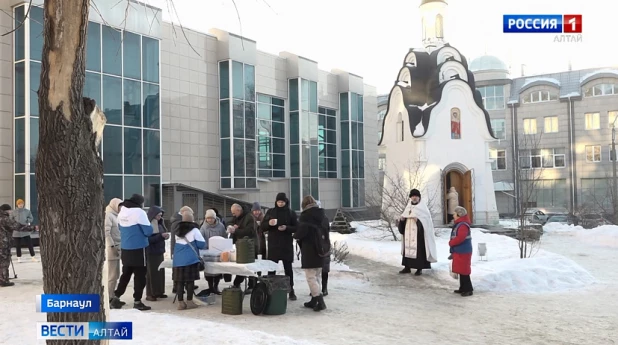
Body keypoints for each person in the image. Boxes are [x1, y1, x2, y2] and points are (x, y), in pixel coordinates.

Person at [111, 194, 153, 311]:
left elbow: (120, 228)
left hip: (126, 248)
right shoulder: (139, 212)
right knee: (140, 276)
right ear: (140, 203)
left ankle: (116, 297)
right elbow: (148, 231)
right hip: (139, 248)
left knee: (126, 274)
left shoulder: (122, 211)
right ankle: (137, 301)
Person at [260, 193, 299, 300]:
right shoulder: (271, 212)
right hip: (274, 244)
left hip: (286, 244)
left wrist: (286, 228)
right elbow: (262, 227)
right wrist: (269, 224)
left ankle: (291, 290)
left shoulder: (291, 213)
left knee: (288, 269)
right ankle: (269, 289)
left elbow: (296, 227)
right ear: (276, 202)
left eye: (282, 202)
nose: (280, 204)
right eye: (279, 202)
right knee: (271, 268)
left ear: (285, 202)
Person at [294, 196, 329, 312]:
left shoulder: (305, 217)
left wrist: (294, 235)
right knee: (317, 275)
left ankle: (320, 301)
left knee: (310, 277)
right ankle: (314, 299)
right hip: (321, 249)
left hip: (309, 250)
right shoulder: (322, 215)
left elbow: (301, 233)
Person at [398, 189, 438, 275]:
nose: (414, 198)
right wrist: (402, 220)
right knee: (407, 250)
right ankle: (407, 267)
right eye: (412, 196)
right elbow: (404, 220)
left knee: (419, 251)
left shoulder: (423, 208)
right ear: (410, 197)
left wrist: (418, 221)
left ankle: (419, 268)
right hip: (408, 234)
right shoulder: (408, 207)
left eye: (416, 196)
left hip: (418, 235)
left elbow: (427, 224)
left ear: (419, 197)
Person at [173, 212, 206, 310]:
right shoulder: (195, 230)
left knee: (179, 281)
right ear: (192, 220)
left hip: (178, 259)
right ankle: (190, 301)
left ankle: (180, 303)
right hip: (190, 259)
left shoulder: (177, 229)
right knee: (190, 281)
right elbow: (201, 244)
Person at [228, 203, 256, 289]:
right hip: (240, 245)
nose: (233, 215)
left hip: (249, 245)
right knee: (241, 265)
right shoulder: (237, 217)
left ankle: (251, 285)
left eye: (234, 213)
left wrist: (236, 230)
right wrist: (231, 226)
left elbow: (250, 231)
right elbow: (230, 222)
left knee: (249, 266)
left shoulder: (249, 217)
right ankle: (238, 283)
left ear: (239, 210)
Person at [199, 209, 226, 295]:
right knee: (209, 270)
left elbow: (224, 237)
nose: (210, 220)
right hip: (207, 252)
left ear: (215, 218)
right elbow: (200, 238)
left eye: (211, 218)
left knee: (217, 270)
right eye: (208, 218)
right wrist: (205, 247)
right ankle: (210, 287)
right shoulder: (203, 227)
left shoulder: (221, 226)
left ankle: (216, 286)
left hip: (218, 252)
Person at [146, 206, 170, 301]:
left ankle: (159, 291)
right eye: (158, 215)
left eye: (161, 215)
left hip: (159, 250)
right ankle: (151, 293)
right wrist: (161, 236)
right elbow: (148, 240)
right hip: (152, 251)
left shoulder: (160, 223)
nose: (160, 217)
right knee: (152, 273)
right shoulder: (149, 225)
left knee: (160, 273)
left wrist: (165, 236)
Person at [449, 206, 474, 297]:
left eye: (455, 214)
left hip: (463, 251)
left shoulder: (462, 225)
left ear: (459, 215)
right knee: (461, 270)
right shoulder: (460, 224)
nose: (453, 216)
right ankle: (462, 288)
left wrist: (451, 243)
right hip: (460, 250)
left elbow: (460, 238)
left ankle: (468, 289)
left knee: (464, 271)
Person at [105, 198, 124, 306]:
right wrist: (111, 246)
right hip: (112, 249)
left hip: (118, 247)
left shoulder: (116, 216)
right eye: (120, 206)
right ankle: (109, 298)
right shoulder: (108, 215)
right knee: (112, 275)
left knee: (116, 274)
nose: (121, 208)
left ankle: (112, 296)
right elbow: (106, 232)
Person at [0, 204, 21, 287]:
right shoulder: (5, 219)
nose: (11, 211)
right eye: (10, 210)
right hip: (3, 244)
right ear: (6, 211)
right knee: (4, 262)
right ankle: (4, 280)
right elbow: (17, 226)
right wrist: (32, 228)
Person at [315, 200, 330, 296]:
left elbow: (327, 230)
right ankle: (316, 288)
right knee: (315, 269)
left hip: (324, 244)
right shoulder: (311, 218)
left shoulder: (324, 219)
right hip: (318, 245)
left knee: (324, 268)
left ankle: (324, 288)